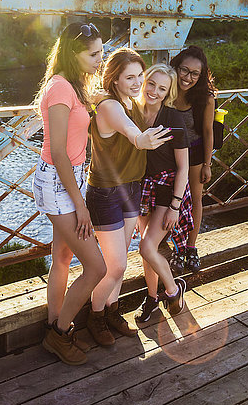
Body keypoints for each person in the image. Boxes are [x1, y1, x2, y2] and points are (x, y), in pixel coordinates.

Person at [86, 48, 172, 346]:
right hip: (106, 192)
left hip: (131, 189)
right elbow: (130, 131)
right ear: (115, 78)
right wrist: (141, 139)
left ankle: (112, 311)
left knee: (117, 263)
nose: (137, 83)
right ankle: (95, 316)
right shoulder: (108, 104)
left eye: (140, 76)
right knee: (118, 265)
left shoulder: (130, 101)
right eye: (130, 77)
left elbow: (142, 111)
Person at [32, 22, 107, 366]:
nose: (100, 60)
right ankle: (60, 334)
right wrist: (81, 206)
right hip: (59, 184)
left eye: (102, 52)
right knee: (96, 267)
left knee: (62, 258)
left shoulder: (73, 85)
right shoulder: (60, 88)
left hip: (67, 179)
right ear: (71, 53)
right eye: (93, 54)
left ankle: (53, 323)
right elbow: (59, 151)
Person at [135, 64, 193, 323]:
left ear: (168, 92)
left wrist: (175, 206)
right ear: (143, 82)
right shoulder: (132, 113)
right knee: (150, 247)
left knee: (146, 246)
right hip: (141, 188)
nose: (154, 92)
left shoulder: (173, 119)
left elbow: (184, 167)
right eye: (151, 84)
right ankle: (151, 297)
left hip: (168, 189)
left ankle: (173, 290)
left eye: (162, 88)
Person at [169, 45, 216, 274]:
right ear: (176, 67)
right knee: (171, 200)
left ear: (201, 75)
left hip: (194, 153)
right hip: (167, 153)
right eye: (184, 71)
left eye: (195, 73)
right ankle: (174, 247)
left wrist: (207, 164)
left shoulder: (205, 98)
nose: (188, 78)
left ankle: (190, 247)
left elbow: (208, 132)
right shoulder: (165, 89)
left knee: (195, 199)